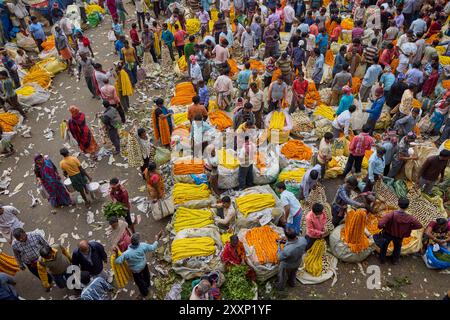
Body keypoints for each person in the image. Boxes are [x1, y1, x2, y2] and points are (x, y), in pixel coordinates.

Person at [114, 231, 162, 298]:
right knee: (146, 275)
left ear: (131, 242)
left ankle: (145, 293)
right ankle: (148, 284)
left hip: (136, 270)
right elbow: (153, 247)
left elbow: (117, 261)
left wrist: (116, 253)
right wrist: (157, 239)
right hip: (144, 265)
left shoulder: (127, 253)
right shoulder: (143, 245)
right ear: (138, 241)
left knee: (140, 283)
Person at [376, 198, 422, 264]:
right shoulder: (410, 218)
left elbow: (380, 224)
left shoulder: (392, 214)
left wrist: (384, 227)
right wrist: (409, 228)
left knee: (384, 247)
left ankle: (382, 260)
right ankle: (394, 261)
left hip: (387, 234)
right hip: (399, 237)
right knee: (397, 248)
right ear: (407, 207)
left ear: (398, 204)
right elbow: (419, 225)